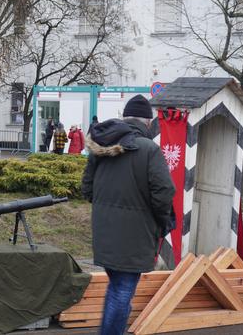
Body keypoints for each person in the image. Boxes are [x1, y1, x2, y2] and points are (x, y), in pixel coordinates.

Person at [81, 94, 175, 335]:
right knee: (122, 291)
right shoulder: (148, 149)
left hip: (105, 231)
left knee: (116, 287)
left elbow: (87, 189)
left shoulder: (100, 147)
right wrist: (162, 220)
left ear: (125, 118)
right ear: (147, 122)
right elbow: (164, 192)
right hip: (135, 234)